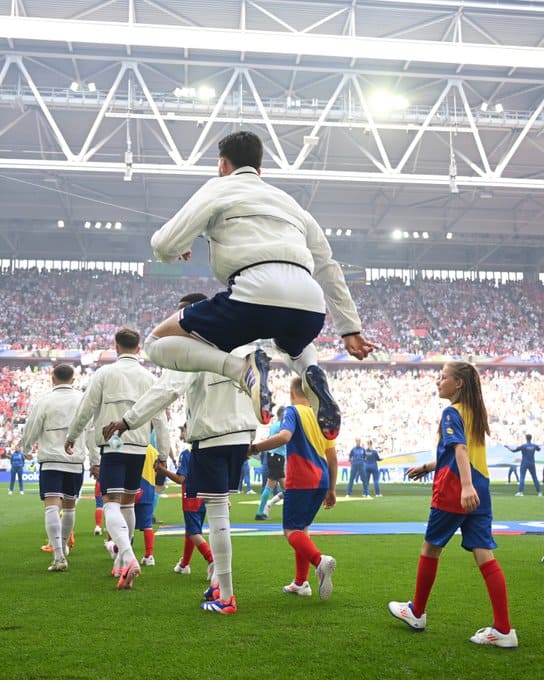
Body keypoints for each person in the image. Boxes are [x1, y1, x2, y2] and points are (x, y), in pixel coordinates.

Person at [144, 130, 377, 442]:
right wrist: (350, 328)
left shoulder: (219, 187)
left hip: (253, 293)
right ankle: (310, 371)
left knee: (155, 343)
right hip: (309, 303)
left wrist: (176, 247)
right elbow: (327, 266)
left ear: (222, 165)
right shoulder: (291, 204)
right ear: (260, 168)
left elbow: (163, 244)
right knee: (288, 342)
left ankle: (241, 371)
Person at [102, 293, 259, 615]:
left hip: (213, 435)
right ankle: (218, 584)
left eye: (180, 318)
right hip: (242, 434)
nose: (177, 327)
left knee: (218, 520)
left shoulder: (193, 347)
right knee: (221, 516)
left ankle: (226, 596)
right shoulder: (243, 344)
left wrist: (127, 420)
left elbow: (167, 389)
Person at [388, 361, 518, 649]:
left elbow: (459, 450)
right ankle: (504, 630)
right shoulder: (473, 413)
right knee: (484, 554)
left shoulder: (451, 412)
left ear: (458, 383)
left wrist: (465, 486)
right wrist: (429, 465)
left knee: (431, 547)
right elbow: (464, 453)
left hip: (457, 488)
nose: (438, 380)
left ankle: (417, 612)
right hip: (480, 488)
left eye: (443, 376)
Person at [65, 327, 170, 590]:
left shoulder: (105, 373)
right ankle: (123, 559)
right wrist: (164, 454)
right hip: (139, 447)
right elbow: (160, 418)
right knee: (128, 504)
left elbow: (86, 408)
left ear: (116, 347)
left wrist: (72, 435)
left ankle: (129, 557)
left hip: (113, 445)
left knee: (110, 501)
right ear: (138, 349)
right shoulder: (148, 377)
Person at [248, 377, 337, 600]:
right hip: (322, 479)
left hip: (302, 478)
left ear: (292, 393)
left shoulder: (292, 411)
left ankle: (319, 562)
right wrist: (332, 489)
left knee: (291, 531)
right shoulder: (321, 417)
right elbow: (333, 457)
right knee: (302, 529)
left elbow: (285, 436)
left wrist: (255, 448)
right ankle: (300, 583)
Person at [21, 364, 87, 572]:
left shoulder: (45, 400)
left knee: (51, 505)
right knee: (69, 506)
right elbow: (91, 429)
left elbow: (32, 425)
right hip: (75, 459)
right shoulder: (82, 400)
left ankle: (58, 555)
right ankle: (64, 547)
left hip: (51, 460)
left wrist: (26, 448)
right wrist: (94, 459)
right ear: (73, 379)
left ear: (52, 379)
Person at [155, 449, 214, 579]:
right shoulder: (207, 450)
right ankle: (184, 564)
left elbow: (180, 479)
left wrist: (162, 469)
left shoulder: (187, 453)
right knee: (191, 530)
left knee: (194, 533)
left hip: (191, 497)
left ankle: (212, 560)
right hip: (206, 496)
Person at [255, 406, 286, 519]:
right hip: (277, 457)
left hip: (272, 456)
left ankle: (262, 510)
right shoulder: (282, 426)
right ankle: (262, 511)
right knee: (283, 488)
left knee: (273, 486)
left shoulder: (274, 425)